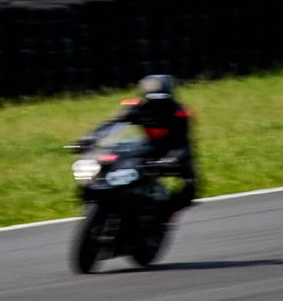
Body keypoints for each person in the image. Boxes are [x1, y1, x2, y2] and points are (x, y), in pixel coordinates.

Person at [77, 74, 197, 219]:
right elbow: (113, 124)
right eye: (152, 101)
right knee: (103, 166)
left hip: (173, 150)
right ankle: (100, 203)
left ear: (170, 97)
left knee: (191, 185)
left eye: (161, 101)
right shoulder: (136, 106)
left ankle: (164, 216)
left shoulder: (180, 113)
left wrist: (172, 159)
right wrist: (91, 138)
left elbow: (183, 142)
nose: (156, 107)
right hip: (148, 147)